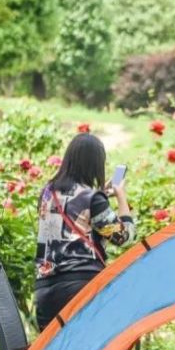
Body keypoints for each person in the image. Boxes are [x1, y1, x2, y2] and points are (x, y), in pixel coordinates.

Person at [34, 133, 135, 330]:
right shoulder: (92, 198)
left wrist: (102, 197)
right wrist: (121, 196)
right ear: (95, 165)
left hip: (45, 290)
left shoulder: (47, 192)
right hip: (80, 287)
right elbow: (124, 236)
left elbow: (72, 214)